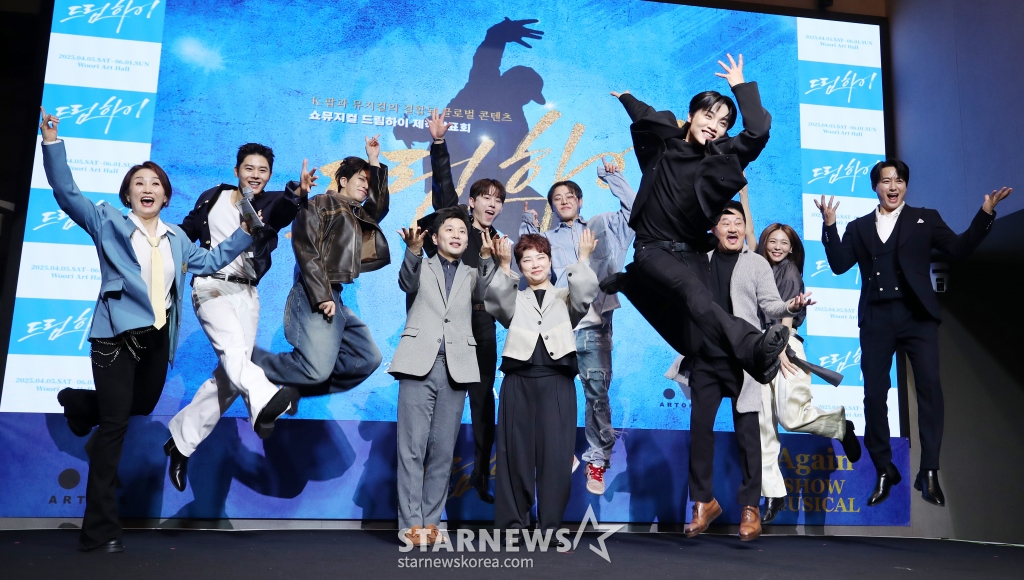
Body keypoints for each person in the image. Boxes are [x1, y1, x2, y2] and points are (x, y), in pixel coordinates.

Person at [39, 108, 254, 552]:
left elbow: (213, 261)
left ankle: (79, 404)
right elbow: (66, 192)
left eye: (155, 183)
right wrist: (52, 143)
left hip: (156, 340)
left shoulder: (178, 239)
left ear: (166, 196)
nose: (147, 188)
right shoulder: (107, 221)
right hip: (115, 339)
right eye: (139, 183)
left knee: (142, 405)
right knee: (114, 426)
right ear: (128, 194)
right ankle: (99, 531)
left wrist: (246, 233)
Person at [815, 160, 1010, 507]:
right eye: (886, 181)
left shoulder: (926, 218)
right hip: (876, 318)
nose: (893, 186)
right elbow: (839, 264)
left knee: (930, 390)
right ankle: (883, 467)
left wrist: (985, 214)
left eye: (899, 180)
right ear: (875, 186)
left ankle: (929, 470)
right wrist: (830, 225)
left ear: (905, 185)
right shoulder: (859, 227)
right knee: (874, 395)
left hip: (917, 316)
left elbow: (959, 248)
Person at [603, 54, 789, 386]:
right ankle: (753, 346)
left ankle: (634, 285)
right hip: (652, 249)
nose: (714, 125)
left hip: (691, 251)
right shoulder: (664, 144)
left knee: (693, 339)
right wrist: (627, 98)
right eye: (708, 115)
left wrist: (740, 86)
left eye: (723, 123)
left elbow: (759, 131)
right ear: (690, 116)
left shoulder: (723, 159)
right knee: (696, 296)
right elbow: (645, 114)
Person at [163, 144, 309, 493]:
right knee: (233, 353)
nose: (255, 175)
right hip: (210, 287)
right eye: (249, 168)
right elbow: (187, 232)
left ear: (269, 176)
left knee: (230, 377)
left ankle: (180, 442)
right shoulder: (212, 197)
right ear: (236, 170)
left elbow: (284, 211)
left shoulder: (270, 202)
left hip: (247, 293)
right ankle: (268, 399)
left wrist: (298, 193)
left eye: (262, 170)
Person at [666, 202, 811, 541]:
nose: (732, 227)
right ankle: (703, 503)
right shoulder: (699, 260)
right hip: (706, 358)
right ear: (714, 228)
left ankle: (750, 507)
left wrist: (790, 305)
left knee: (748, 436)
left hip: (743, 360)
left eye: (738, 222)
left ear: (744, 228)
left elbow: (770, 304)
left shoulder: (756, 263)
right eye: (725, 221)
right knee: (700, 431)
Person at [519, 158, 636, 494]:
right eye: (557, 198)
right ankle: (561, 453)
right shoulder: (545, 239)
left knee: (597, 395)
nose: (564, 201)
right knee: (544, 395)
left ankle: (597, 460)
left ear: (580, 201)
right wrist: (528, 228)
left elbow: (634, 210)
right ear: (552, 206)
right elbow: (528, 267)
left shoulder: (603, 225)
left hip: (595, 326)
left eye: (570, 196)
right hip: (556, 327)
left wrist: (612, 176)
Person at [252, 136, 390, 397]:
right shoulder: (319, 203)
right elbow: (306, 248)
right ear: (343, 180)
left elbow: (379, 204)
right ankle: (248, 364)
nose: (366, 186)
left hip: (334, 296)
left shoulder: (357, 214)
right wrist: (322, 294)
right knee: (316, 370)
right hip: (313, 292)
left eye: (369, 182)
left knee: (367, 358)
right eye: (361, 179)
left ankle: (295, 388)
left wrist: (374, 161)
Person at [391, 207, 496, 546]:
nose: (457, 235)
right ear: (435, 238)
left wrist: (487, 258)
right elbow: (406, 282)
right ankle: (411, 525)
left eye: (462, 231)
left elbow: (485, 294)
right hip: (417, 364)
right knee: (412, 449)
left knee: (442, 450)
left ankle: (432, 523)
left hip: (456, 367)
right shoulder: (421, 265)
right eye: (449, 230)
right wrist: (412, 251)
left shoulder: (472, 273)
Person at [415, 111, 505, 503]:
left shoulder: (499, 240)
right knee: (442, 403)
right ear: (473, 202)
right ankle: (429, 477)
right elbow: (443, 190)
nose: (493, 204)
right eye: (487, 198)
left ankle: (483, 475)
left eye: (498, 200)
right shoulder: (456, 224)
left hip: (483, 325)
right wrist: (438, 144)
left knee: (484, 403)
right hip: (450, 323)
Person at [482, 231, 599, 532]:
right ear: (520, 266)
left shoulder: (566, 296)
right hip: (518, 382)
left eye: (541, 257)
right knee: (514, 457)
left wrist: (583, 259)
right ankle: (513, 526)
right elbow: (497, 304)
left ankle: (551, 528)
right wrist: (503, 266)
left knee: (557, 459)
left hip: (557, 383)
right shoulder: (514, 296)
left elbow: (585, 294)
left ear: (550, 261)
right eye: (527, 260)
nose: (535, 264)